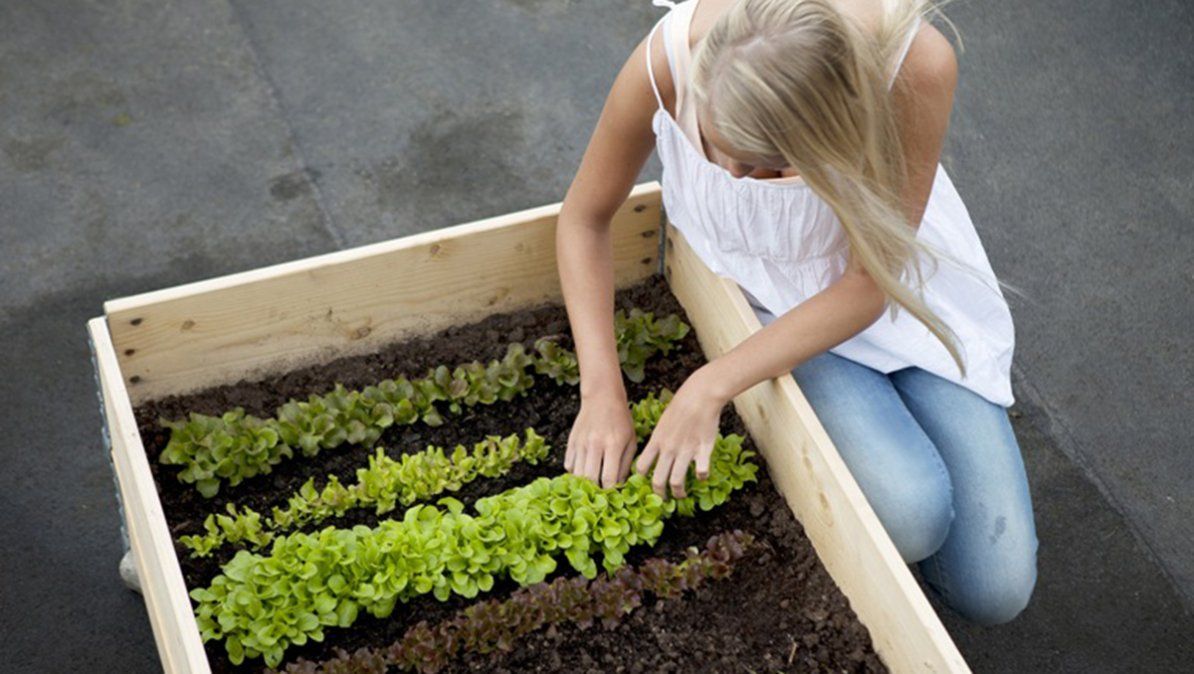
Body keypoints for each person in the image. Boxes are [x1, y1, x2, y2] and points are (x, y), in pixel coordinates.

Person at [553, 0, 1038, 626]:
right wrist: (601, 391)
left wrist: (711, 383)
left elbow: (871, 284)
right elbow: (585, 218)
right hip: (775, 310)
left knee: (995, 594)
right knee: (912, 514)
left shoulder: (916, 68)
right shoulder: (669, 60)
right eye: (722, 149)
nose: (731, 174)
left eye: (761, 166)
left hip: (894, 296)